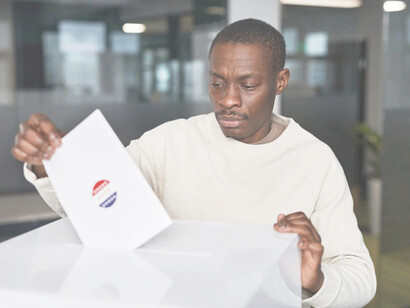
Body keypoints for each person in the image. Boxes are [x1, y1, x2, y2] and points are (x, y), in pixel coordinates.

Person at [11, 18, 376, 307]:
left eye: (247, 85)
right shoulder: (169, 142)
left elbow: (361, 279)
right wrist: (49, 163)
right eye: (217, 83)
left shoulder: (315, 161)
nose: (228, 99)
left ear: (280, 82)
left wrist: (315, 281)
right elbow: (93, 210)